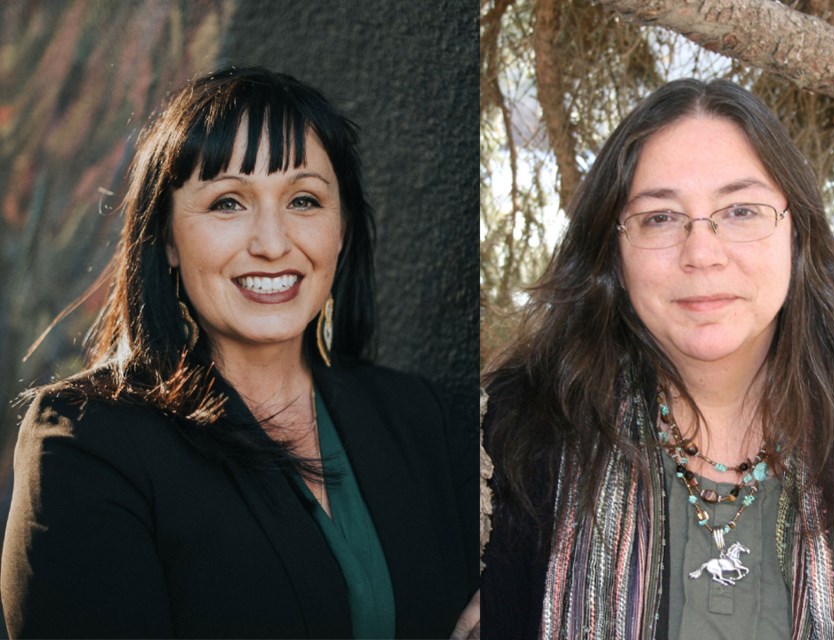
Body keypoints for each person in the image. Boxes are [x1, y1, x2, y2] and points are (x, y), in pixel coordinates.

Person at [1, 67, 477, 639]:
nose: (273, 243)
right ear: (169, 240)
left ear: (342, 229)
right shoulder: (86, 439)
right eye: (228, 203)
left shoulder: (423, 419)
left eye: (304, 200)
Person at [480, 78, 834, 639]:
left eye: (740, 211)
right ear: (612, 251)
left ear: (797, 233)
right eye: (660, 217)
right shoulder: (517, 435)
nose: (701, 253)